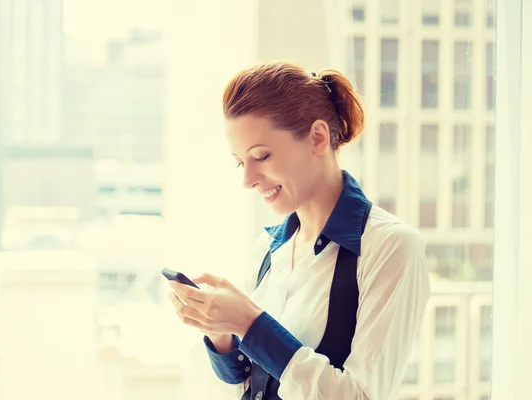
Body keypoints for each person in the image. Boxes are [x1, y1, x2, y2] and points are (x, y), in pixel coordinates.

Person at [167, 61, 431, 400]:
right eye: (239, 162)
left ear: (318, 137)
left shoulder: (389, 246)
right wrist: (222, 331)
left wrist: (249, 323)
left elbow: (362, 395)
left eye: (261, 157)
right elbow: (245, 385)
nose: (247, 180)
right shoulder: (268, 247)